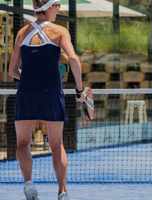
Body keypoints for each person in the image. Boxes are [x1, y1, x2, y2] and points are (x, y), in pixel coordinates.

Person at [8, 0, 86, 199]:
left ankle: (29, 186)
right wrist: (79, 90)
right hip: (51, 91)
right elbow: (74, 59)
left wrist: (28, 77)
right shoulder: (60, 31)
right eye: (57, 7)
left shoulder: (21, 33)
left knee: (23, 142)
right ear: (50, 8)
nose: (57, 11)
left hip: (26, 91)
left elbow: (12, 71)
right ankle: (62, 191)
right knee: (56, 144)